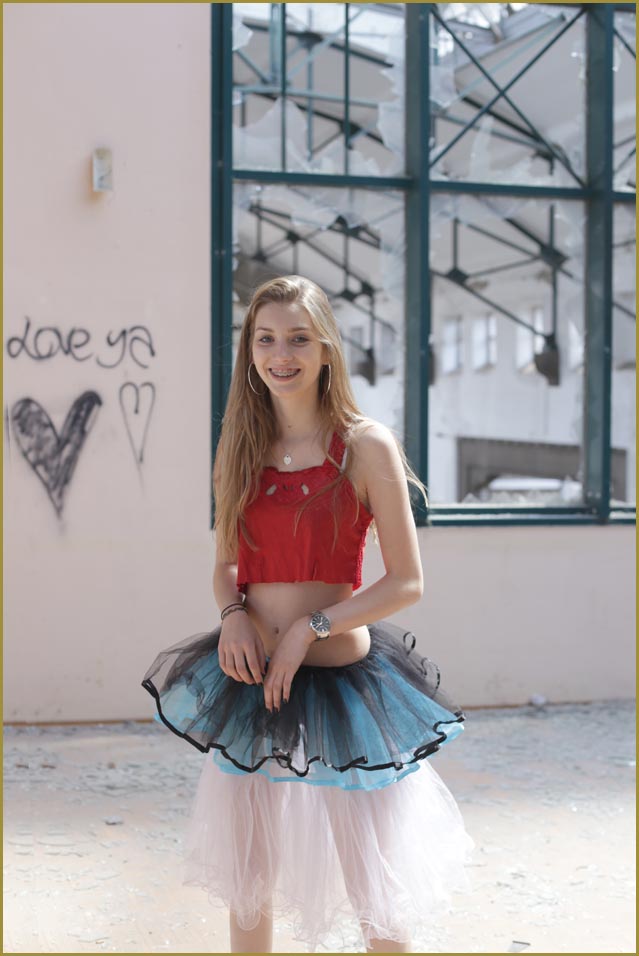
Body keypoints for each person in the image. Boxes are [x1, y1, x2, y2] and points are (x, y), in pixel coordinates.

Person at [142, 275, 474, 954]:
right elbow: (225, 564)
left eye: (298, 338)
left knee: (374, 894)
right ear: (250, 350)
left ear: (325, 349)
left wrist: (308, 628)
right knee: (248, 885)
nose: (280, 353)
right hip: (249, 681)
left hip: (344, 689)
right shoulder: (240, 445)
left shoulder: (365, 445)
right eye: (265, 339)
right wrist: (233, 613)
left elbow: (406, 582)